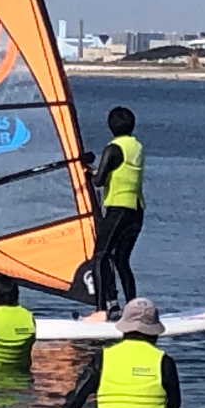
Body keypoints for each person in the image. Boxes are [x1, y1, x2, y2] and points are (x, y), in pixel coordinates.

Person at [50, 298, 181, 408]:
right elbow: (174, 406)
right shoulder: (164, 362)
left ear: (124, 328)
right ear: (155, 332)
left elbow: (75, 399)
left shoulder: (103, 358)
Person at [90, 106, 145, 315]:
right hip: (136, 210)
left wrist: (88, 173)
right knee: (122, 260)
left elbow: (98, 181)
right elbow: (120, 170)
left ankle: (100, 310)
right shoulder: (137, 147)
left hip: (118, 210)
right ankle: (132, 309)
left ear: (110, 126)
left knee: (100, 257)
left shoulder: (113, 148)